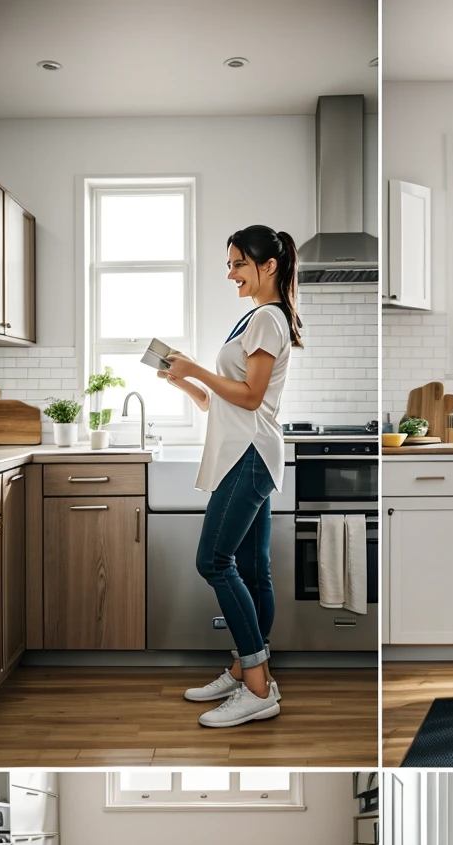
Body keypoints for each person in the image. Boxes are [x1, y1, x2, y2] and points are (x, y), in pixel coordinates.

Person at [158, 225, 302, 728]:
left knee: (214, 562)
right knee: (253, 568)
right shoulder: (257, 318)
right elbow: (221, 400)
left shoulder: (267, 318)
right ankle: (246, 670)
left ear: (269, 266)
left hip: (249, 454)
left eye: (239, 262)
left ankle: (258, 686)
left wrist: (197, 368)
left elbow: (250, 397)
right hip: (245, 450)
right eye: (230, 263)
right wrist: (187, 383)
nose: (231, 272)